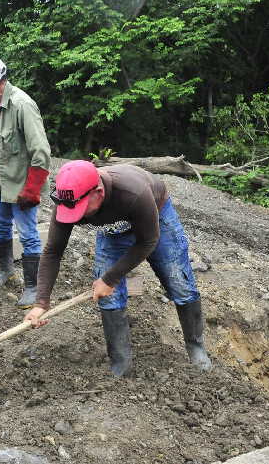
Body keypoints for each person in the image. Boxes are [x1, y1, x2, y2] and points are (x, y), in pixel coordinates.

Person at [24, 160, 212, 376]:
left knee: (178, 280)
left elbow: (148, 241)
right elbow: (53, 251)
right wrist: (41, 302)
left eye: (81, 209)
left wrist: (110, 279)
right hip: (113, 229)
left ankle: (196, 347)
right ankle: (121, 362)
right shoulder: (69, 199)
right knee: (108, 296)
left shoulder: (133, 192)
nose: (76, 216)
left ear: (98, 192)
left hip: (155, 217)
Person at [0, 55, 51, 308]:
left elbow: (41, 152)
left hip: (24, 185)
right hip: (3, 181)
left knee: (28, 235)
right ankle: (6, 271)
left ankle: (33, 287)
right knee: (0, 225)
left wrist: (33, 189)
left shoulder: (22, 105)